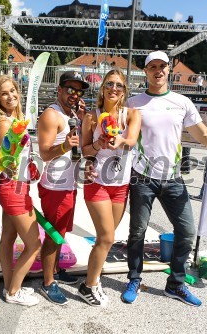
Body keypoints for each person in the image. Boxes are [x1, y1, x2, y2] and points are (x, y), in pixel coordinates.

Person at [122, 51, 207, 307]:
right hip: (143, 178)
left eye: (162, 66)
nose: (158, 71)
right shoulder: (133, 103)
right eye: (152, 67)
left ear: (168, 70)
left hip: (173, 179)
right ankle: (134, 279)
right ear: (146, 71)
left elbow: (205, 137)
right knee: (137, 232)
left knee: (186, 232)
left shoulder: (182, 102)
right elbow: (119, 137)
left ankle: (175, 284)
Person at [78, 69, 141, 306]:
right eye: (110, 84)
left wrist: (121, 140)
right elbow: (84, 151)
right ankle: (89, 285)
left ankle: (93, 275)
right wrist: (97, 144)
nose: (114, 88)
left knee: (106, 239)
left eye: (119, 85)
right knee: (106, 237)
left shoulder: (132, 114)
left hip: (121, 185)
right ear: (103, 87)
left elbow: (132, 140)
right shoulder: (91, 117)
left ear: (124, 91)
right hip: (97, 183)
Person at [0, 75, 41, 307]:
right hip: (14, 189)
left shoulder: (12, 119)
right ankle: (14, 291)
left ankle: (9, 285)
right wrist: (20, 162)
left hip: (16, 186)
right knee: (34, 243)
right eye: (4, 93)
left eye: (13, 91)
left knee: (8, 239)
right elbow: (7, 160)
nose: (11, 96)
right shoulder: (5, 123)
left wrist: (29, 167)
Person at [37, 71, 89, 305]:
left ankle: (56, 270)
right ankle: (48, 282)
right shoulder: (51, 115)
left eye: (78, 91)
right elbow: (44, 153)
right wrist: (65, 147)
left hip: (68, 183)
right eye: (70, 89)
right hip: (55, 185)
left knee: (62, 233)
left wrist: (82, 116)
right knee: (53, 235)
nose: (74, 94)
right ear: (59, 90)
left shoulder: (72, 115)